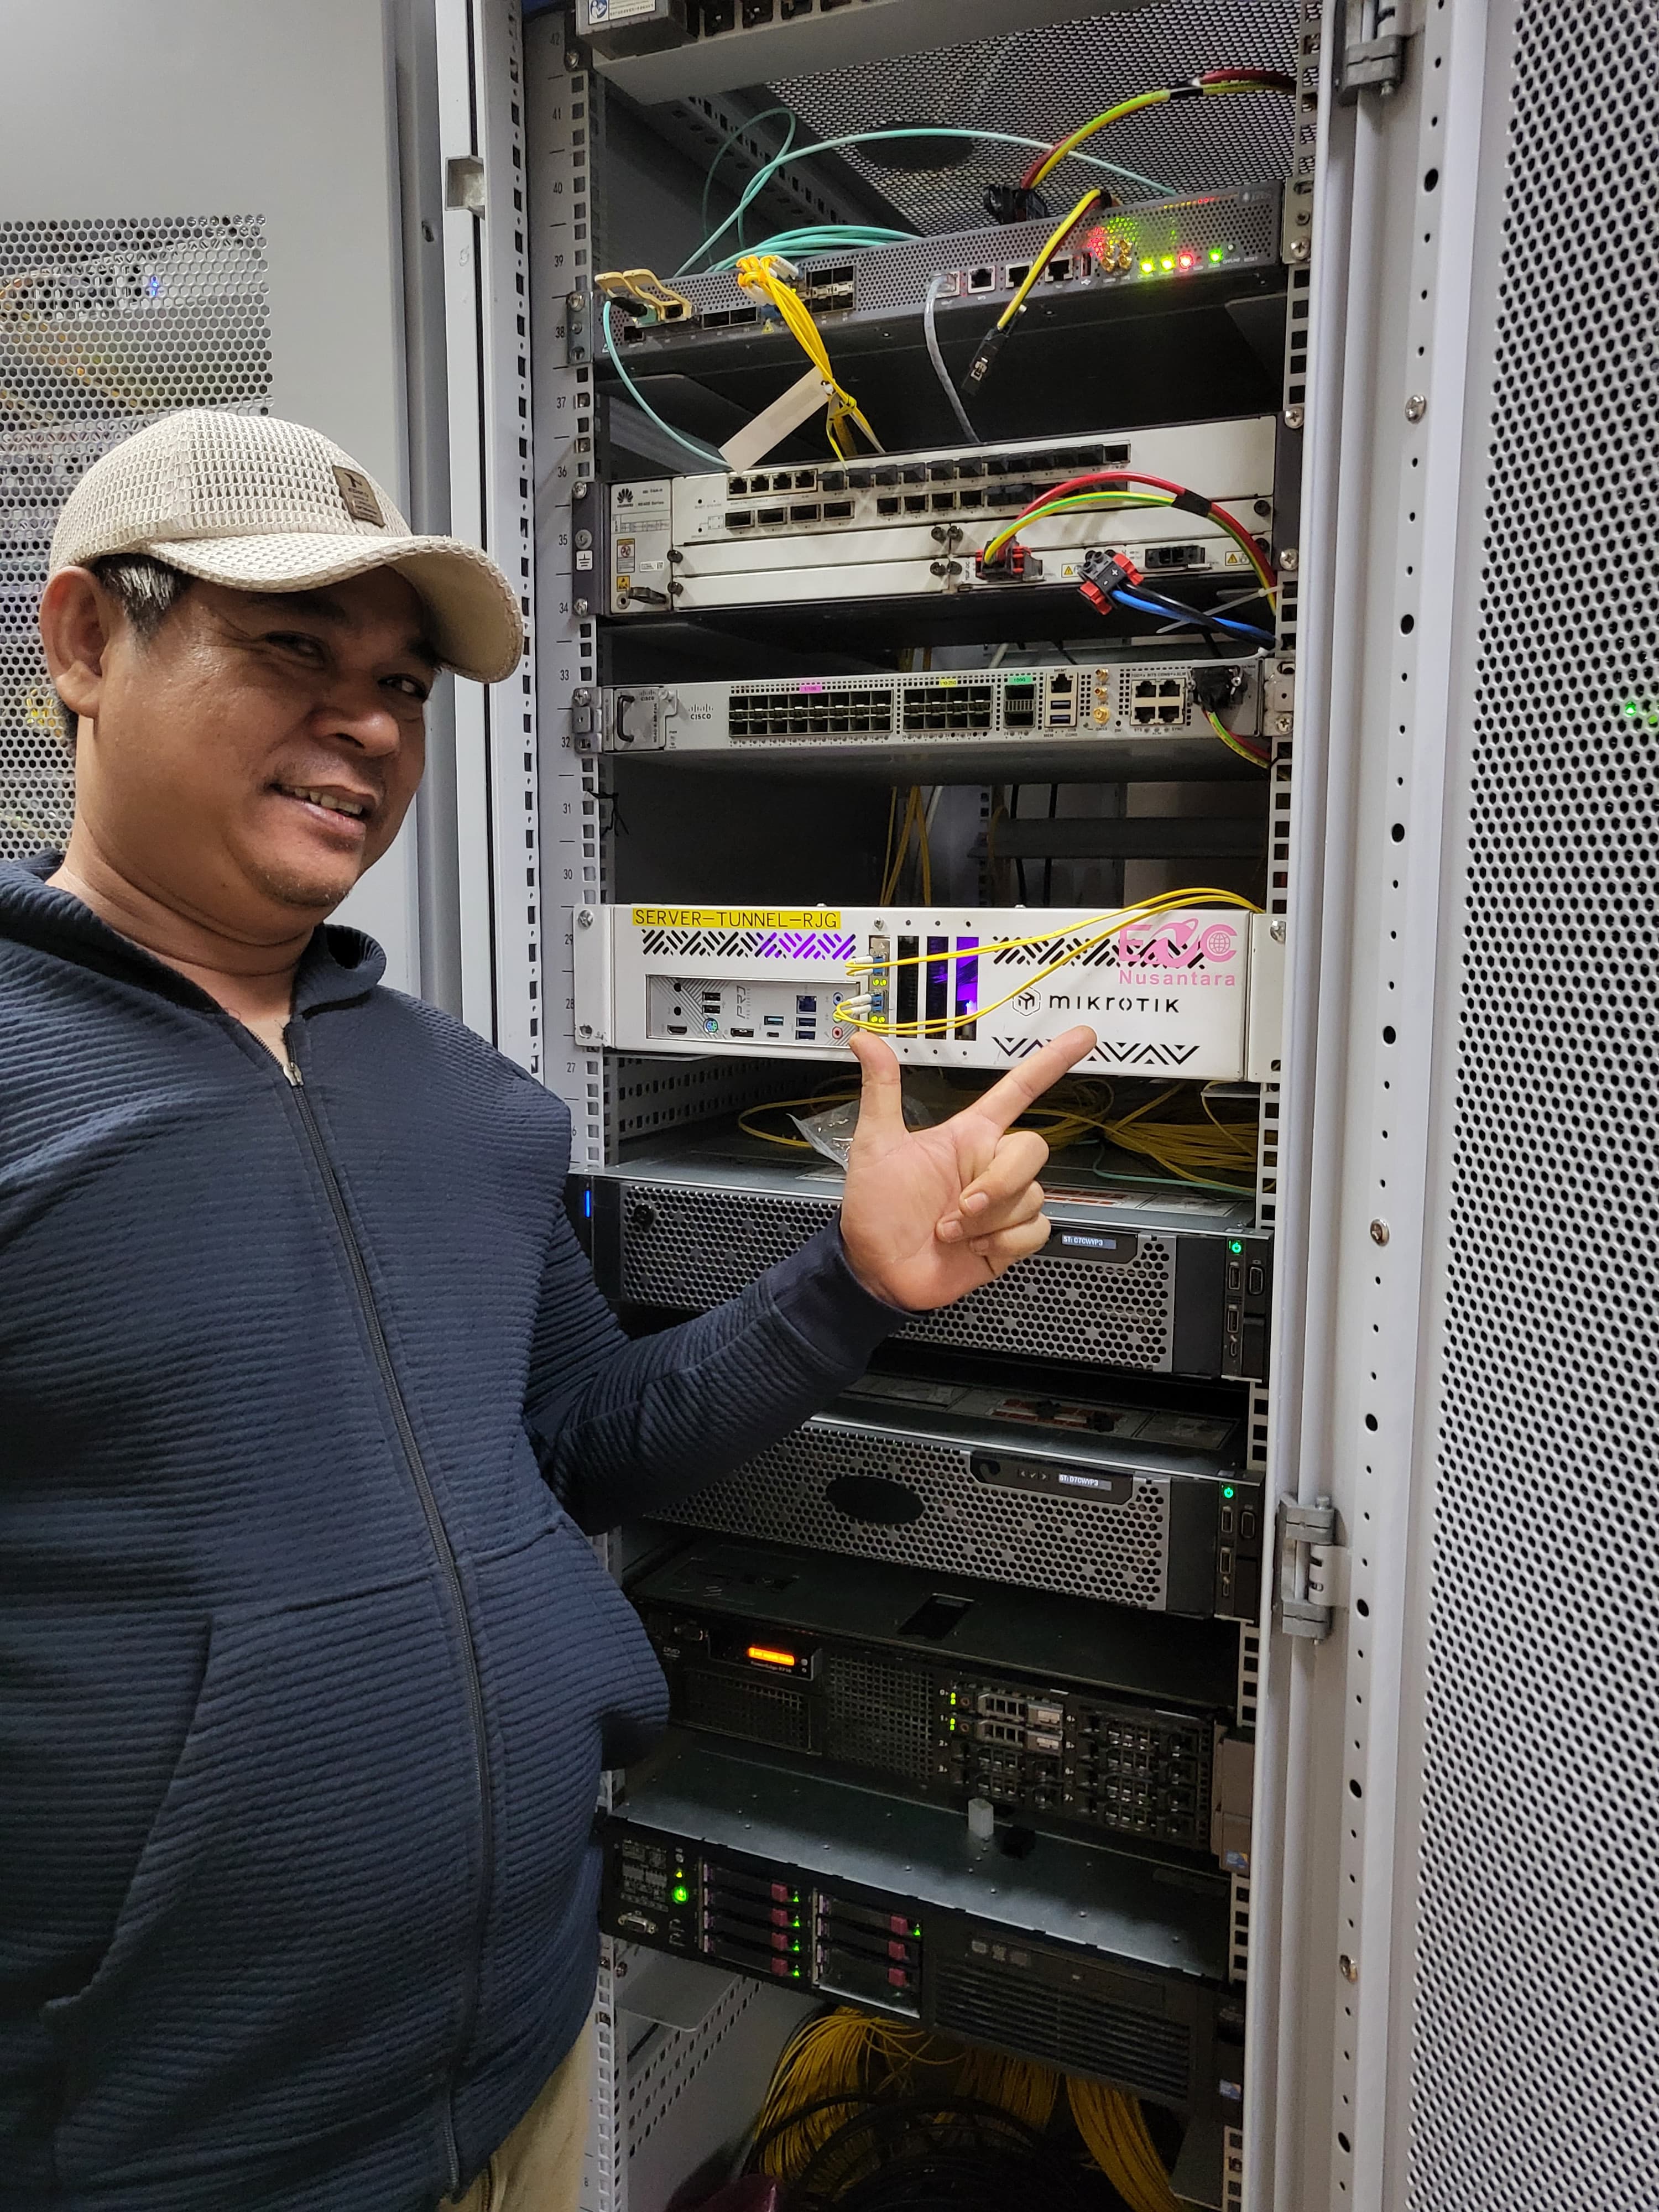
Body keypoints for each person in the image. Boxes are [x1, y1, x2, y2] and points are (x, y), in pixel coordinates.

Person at [1, 409, 1094, 2212]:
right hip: (168, 2152)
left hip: (517, 2069)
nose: (369, 724)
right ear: (84, 643)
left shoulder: (471, 1104)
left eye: (403, 685)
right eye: (292, 649)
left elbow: (589, 1442)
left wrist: (848, 1287)